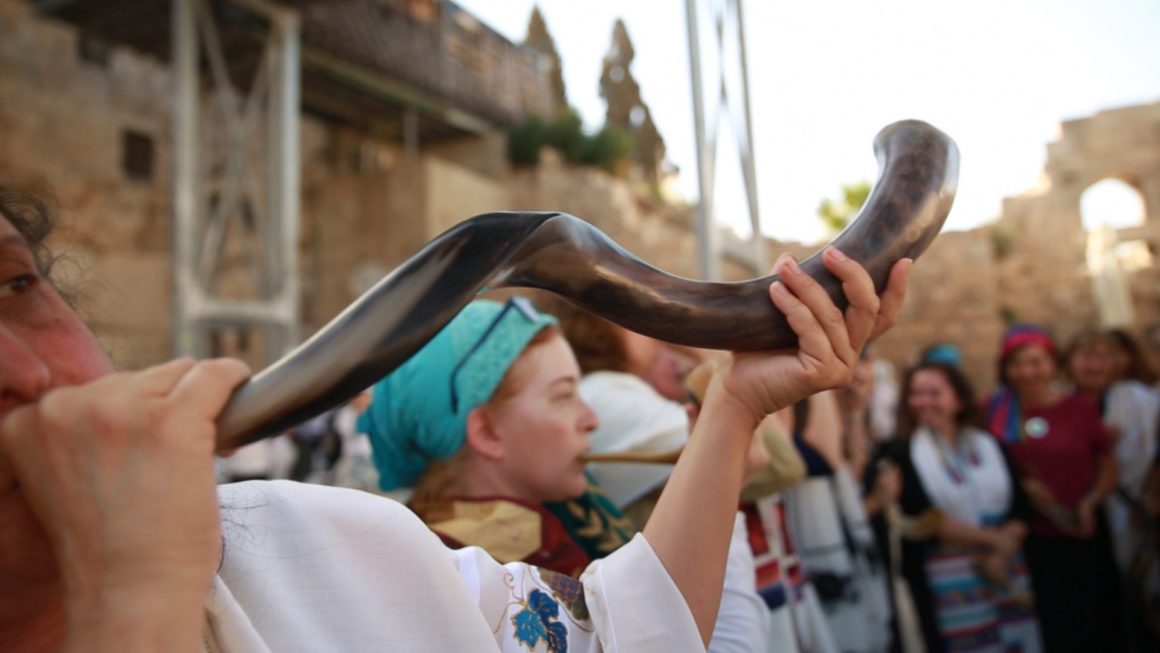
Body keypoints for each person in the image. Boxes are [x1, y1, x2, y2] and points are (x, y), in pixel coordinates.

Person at [0, 182, 910, 651]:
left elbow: (616, 635)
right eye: (561, 400)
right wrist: (131, 599)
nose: (24, 369)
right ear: (482, 430)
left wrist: (738, 406)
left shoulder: (320, 540)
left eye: (16, 286)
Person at [869, 361, 1040, 653]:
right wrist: (997, 541)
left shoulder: (989, 445)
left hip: (1005, 567)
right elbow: (923, 519)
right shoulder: (900, 454)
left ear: (959, 399)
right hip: (948, 578)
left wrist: (1002, 553)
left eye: (934, 393)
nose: (923, 402)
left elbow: (1020, 506)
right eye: (916, 394)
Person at [984, 324, 1125, 653]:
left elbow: (1106, 463)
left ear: (1052, 364)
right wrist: (1022, 489)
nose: (1027, 372)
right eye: (1018, 363)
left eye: (1036, 362)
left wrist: (1092, 500)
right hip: (1032, 538)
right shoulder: (993, 411)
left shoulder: (1079, 409)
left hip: (1083, 530)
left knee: (1097, 621)